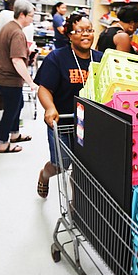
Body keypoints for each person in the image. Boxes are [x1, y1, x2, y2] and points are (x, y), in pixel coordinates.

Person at [34, 14, 103, 198]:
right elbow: (44, 88)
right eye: (79, 31)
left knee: (83, 169)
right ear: (69, 35)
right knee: (60, 165)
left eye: (89, 30)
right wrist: (50, 107)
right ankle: (44, 175)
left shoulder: (101, 59)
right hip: (63, 122)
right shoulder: (57, 58)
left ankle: (76, 208)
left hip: (91, 125)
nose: (86, 35)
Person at [0, 0, 37, 153]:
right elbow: (17, 61)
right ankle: (3, 144)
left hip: (4, 76)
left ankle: (15, 134)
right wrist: (31, 82)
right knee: (11, 110)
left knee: (18, 105)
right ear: (23, 15)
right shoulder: (17, 32)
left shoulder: (8, 26)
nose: (33, 19)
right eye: (31, 15)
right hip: (9, 78)